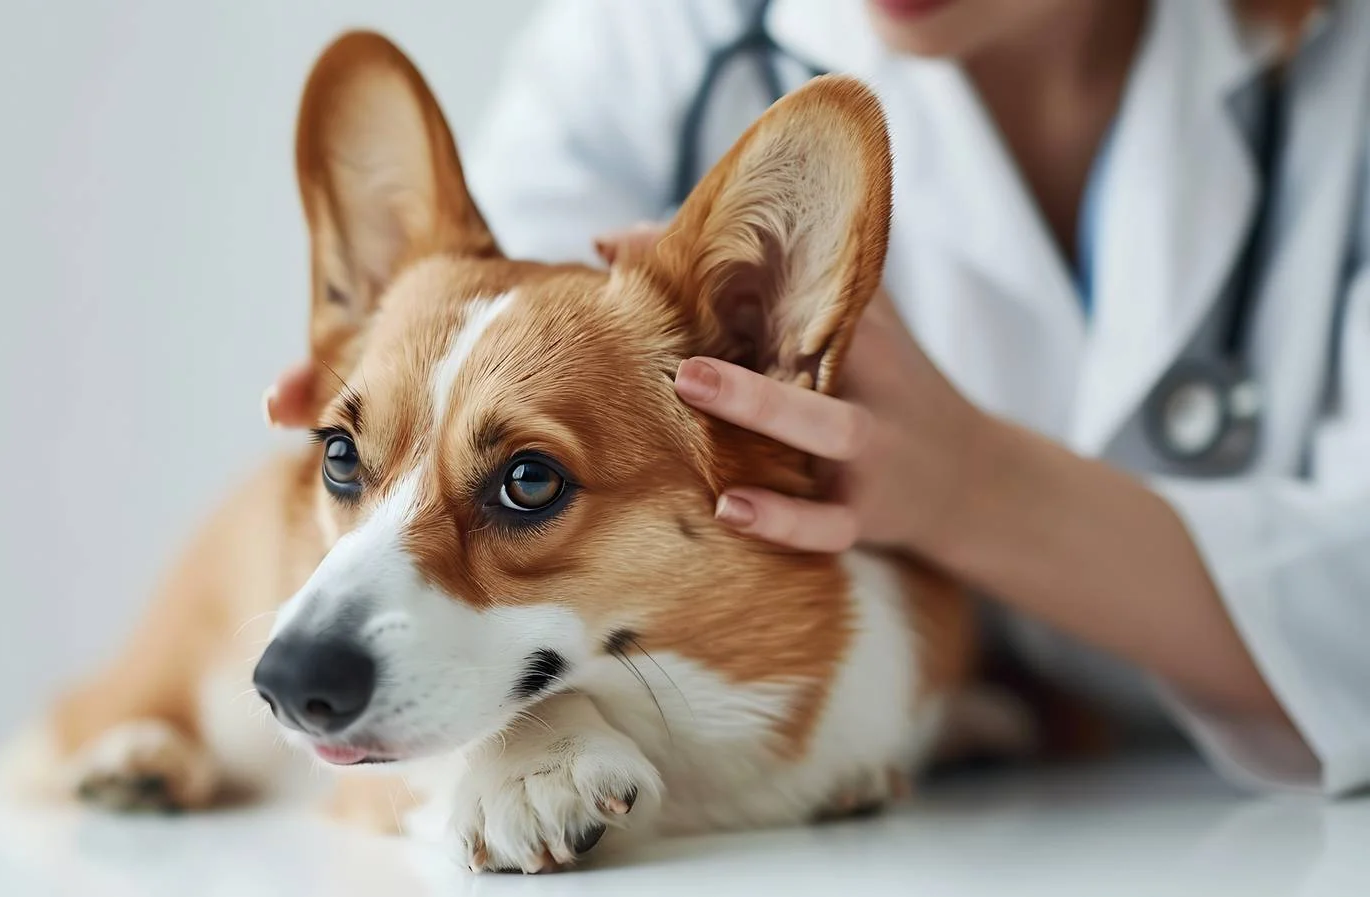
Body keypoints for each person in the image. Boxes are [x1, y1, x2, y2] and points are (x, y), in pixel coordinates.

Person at [267, 0, 1370, 796]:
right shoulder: (654, 36)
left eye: (523, 483)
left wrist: (969, 485)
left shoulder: (1344, 84)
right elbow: (488, 334)